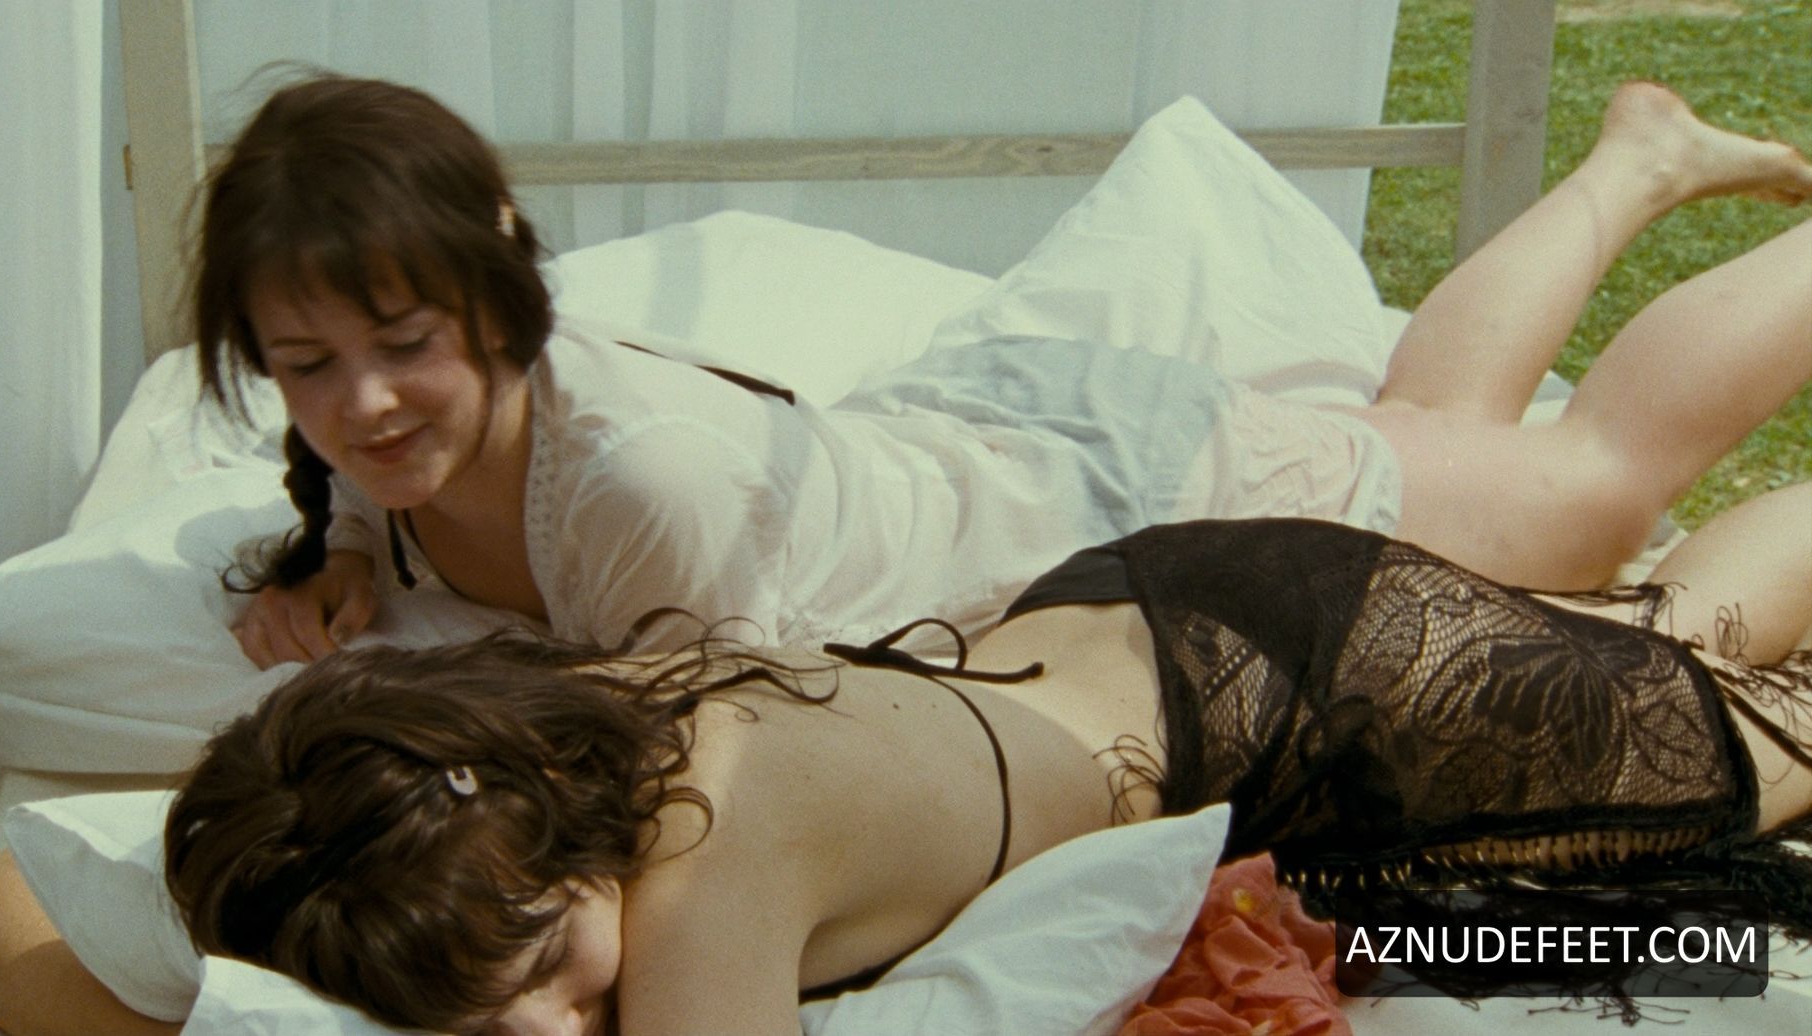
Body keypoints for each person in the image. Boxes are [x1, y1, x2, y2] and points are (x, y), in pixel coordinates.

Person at [0, 480, 1812, 1036]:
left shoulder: (710, 862)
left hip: (1311, 694)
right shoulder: (554, 748)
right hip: (1142, 609)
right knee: (1675, 644)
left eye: (551, 971)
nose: (551, 1034)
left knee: (1758, 742)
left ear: (563, 852)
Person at [206, 74, 1812, 667]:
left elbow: (718, 766)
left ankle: (1642, 168)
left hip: (1128, 497)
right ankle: (1638, 159)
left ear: (502, 280)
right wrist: (340, 555)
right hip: (998, 450)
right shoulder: (384, 439)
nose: (363, 404)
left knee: (1594, 496)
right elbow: (360, 459)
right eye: (306, 363)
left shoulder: (639, 480)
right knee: (1422, 437)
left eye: (407, 345)